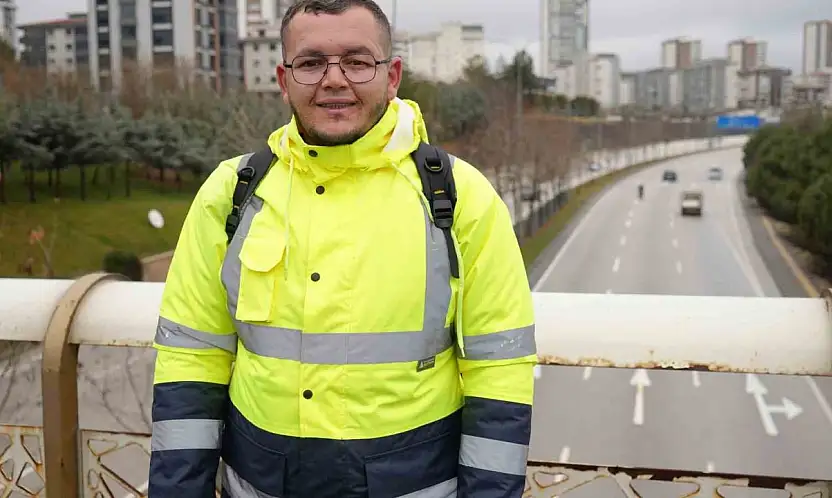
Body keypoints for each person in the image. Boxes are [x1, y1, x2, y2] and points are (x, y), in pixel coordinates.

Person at [147, 0, 537, 496]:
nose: (334, 80)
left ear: (392, 76)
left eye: (357, 61)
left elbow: (499, 371)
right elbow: (191, 358)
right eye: (311, 63)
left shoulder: (460, 197)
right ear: (284, 79)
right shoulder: (232, 191)